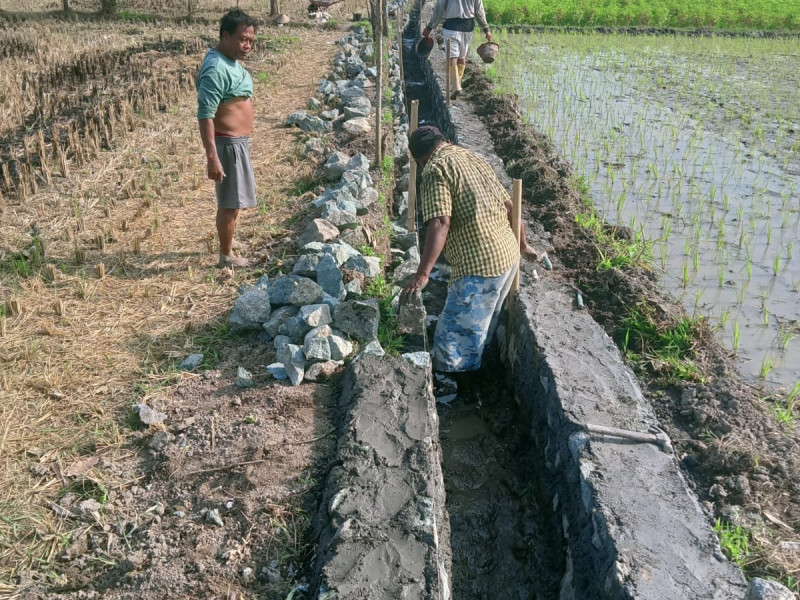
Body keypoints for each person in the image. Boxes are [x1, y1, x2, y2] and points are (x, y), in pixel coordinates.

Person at [402, 126, 539, 388]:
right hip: (507, 255)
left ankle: (456, 388)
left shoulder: (435, 170)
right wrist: (522, 245)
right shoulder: (472, 157)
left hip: (481, 266)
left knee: (451, 338)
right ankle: (478, 366)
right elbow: (511, 208)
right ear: (444, 141)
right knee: (481, 322)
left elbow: (440, 222)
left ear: (421, 159)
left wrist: (423, 273)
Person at [196, 9, 258, 268]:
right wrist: (213, 157)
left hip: (238, 143)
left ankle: (229, 242)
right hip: (227, 145)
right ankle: (226, 257)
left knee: (236, 200)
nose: (248, 45)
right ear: (225, 36)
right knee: (229, 203)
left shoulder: (230, 62)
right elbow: (205, 115)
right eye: (243, 39)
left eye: (251, 41)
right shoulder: (215, 68)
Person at [422, 0, 492, 99]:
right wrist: (486, 29)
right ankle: (457, 83)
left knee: (452, 56)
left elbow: (439, 8)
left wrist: (430, 27)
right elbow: (479, 11)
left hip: (452, 27)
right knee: (462, 57)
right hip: (468, 28)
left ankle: (455, 86)